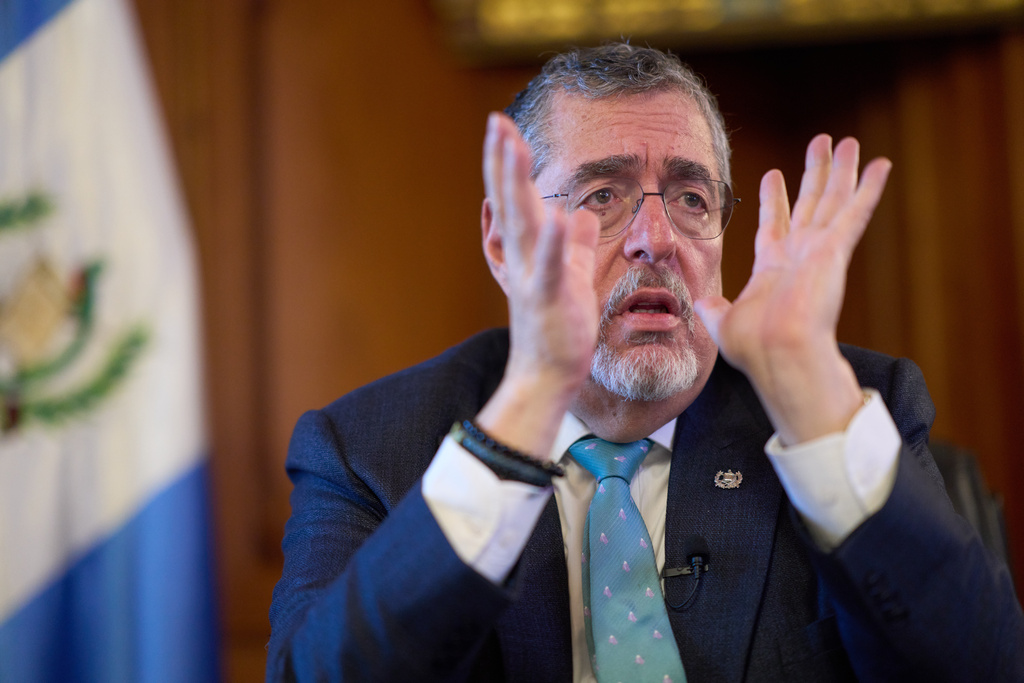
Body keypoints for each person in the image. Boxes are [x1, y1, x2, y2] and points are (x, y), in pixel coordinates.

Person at [266, 43, 1023, 682]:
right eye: (603, 194)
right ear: (504, 242)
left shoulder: (840, 408)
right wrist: (532, 396)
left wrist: (808, 389)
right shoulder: (367, 449)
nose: (656, 238)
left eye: (692, 198)